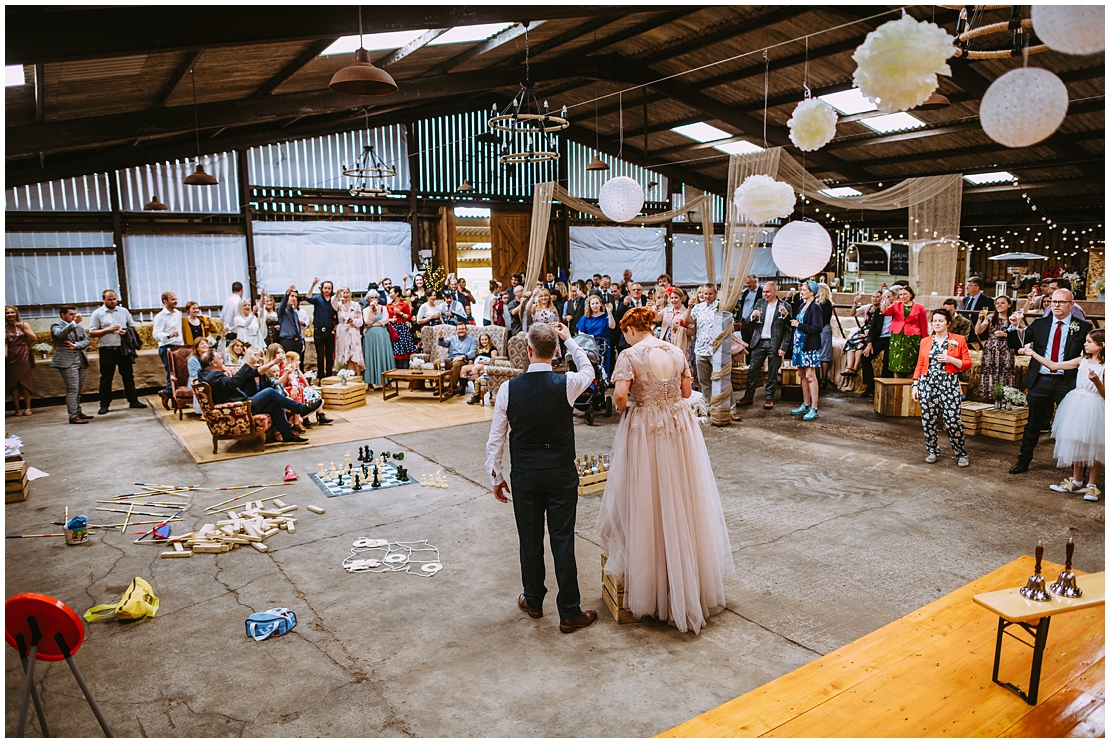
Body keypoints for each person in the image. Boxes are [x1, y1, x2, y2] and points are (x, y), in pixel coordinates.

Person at [597, 307, 733, 633]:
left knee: (648, 491)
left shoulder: (629, 355)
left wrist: (626, 408)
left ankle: (654, 575)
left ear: (630, 328)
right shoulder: (675, 351)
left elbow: (619, 395)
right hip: (678, 426)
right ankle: (686, 578)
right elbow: (687, 393)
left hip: (646, 426)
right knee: (683, 491)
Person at [485, 322, 598, 634]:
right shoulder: (568, 382)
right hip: (561, 473)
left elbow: (496, 439)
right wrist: (570, 340)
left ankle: (533, 600)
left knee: (530, 539)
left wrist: (496, 475)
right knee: (563, 540)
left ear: (528, 351)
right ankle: (570, 612)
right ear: (555, 352)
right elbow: (589, 370)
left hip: (525, 475)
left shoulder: (509, 389)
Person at [1007, 289, 1093, 475]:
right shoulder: (1040, 324)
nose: (1056, 305)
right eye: (1053, 301)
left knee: (1072, 425)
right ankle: (1023, 461)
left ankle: (1076, 469)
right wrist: (1014, 326)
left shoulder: (1083, 327)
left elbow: (1091, 352)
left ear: (1071, 304)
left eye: (1061, 302)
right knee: (1033, 424)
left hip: (1067, 382)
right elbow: (1016, 343)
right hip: (1041, 380)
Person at [1019, 330, 1104, 502]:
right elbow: (1054, 365)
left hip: (1095, 406)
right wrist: (1033, 353)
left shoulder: (1105, 366)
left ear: (1102, 345)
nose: (1085, 344)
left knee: (1093, 445)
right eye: (1085, 341)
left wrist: (1096, 381)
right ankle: (1077, 480)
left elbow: (1105, 394)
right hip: (1077, 404)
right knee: (1076, 441)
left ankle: (1092, 485)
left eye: (1089, 342)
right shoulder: (1082, 361)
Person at [197, 349, 322, 444]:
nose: (222, 360)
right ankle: (301, 409)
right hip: (239, 407)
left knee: (273, 404)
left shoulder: (205, 374)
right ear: (213, 363)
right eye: (220, 359)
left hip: (240, 404)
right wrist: (248, 363)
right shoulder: (213, 376)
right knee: (269, 391)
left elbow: (235, 380)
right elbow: (231, 384)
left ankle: (287, 434)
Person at [911, 308, 972, 467]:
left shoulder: (958, 340)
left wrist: (951, 359)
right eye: (934, 321)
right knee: (928, 420)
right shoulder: (925, 341)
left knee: (953, 420)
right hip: (927, 384)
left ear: (948, 323)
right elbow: (920, 364)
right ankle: (932, 450)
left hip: (949, 384)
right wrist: (915, 384)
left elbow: (967, 364)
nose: (937, 324)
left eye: (941, 321)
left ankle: (960, 453)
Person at [88, 289, 146, 415]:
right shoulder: (98, 313)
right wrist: (107, 330)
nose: (112, 301)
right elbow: (92, 333)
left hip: (123, 348)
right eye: (109, 299)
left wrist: (126, 332)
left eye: (114, 299)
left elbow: (132, 326)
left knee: (128, 376)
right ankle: (104, 404)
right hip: (107, 349)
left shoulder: (123, 311)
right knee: (106, 378)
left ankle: (133, 400)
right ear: (103, 300)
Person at [738, 281, 793, 412]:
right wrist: (752, 316)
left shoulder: (785, 306)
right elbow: (748, 321)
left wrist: (783, 347)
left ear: (775, 291)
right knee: (753, 371)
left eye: (767, 292)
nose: (765, 294)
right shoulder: (760, 303)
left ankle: (769, 397)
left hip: (775, 343)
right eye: (763, 292)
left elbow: (788, 330)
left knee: (773, 372)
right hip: (759, 342)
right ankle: (748, 396)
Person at [789, 280, 824, 421]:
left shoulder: (815, 307)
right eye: (802, 289)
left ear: (812, 292)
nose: (801, 291)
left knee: (810, 375)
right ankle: (805, 403)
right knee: (802, 374)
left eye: (804, 289)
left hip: (809, 345)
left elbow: (817, 328)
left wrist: (799, 325)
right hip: (799, 345)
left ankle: (814, 408)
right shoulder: (803, 305)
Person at [51, 305, 91, 424]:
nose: (74, 316)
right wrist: (73, 323)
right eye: (71, 314)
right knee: (72, 388)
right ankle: (73, 415)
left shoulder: (78, 326)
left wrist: (77, 345)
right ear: (63, 315)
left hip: (81, 359)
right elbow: (60, 334)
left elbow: (87, 339)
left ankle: (78, 411)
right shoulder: (56, 325)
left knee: (78, 388)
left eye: (74, 314)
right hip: (67, 361)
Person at [975, 295, 1017, 401]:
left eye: (1002, 303)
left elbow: (1020, 335)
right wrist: (980, 319)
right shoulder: (990, 317)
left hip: (1006, 349)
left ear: (1009, 305)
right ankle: (989, 395)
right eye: (997, 303)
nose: (999, 305)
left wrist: (1005, 335)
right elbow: (978, 331)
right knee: (990, 370)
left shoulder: (1013, 318)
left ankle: (1004, 395)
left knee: (1005, 371)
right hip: (991, 349)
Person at [883, 285, 929, 378]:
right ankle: (897, 387)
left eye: (905, 294)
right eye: (900, 295)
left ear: (911, 295)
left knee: (911, 363)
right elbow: (885, 312)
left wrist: (924, 341)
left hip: (913, 338)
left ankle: (911, 387)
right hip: (897, 337)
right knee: (897, 363)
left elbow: (923, 325)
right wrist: (884, 301)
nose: (902, 297)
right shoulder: (896, 304)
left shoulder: (920, 307)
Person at [688, 283, 720, 403]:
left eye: (710, 294)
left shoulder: (720, 306)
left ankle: (728, 409)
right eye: (705, 293)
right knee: (704, 381)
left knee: (721, 380)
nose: (707, 296)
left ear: (715, 293)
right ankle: (708, 405)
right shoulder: (698, 307)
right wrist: (689, 307)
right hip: (700, 348)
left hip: (716, 349)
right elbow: (689, 323)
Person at [861, 289, 895, 397]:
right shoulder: (878, 312)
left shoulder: (897, 312)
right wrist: (869, 343)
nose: (885, 300)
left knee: (887, 361)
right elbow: (873, 329)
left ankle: (883, 389)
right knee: (865, 356)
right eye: (884, 298)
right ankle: (870, 386)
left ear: (894, 298)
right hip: (880, 338)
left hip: (892, 339)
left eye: (888, 297)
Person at [153, 291, 184, 409]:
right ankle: (167, 393)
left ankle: (175, 398)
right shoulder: (160, 317)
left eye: (176, 299)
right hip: (167, 347)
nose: (175, 301)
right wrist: (168, 335)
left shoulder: (178, 313)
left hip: (178, 346)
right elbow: (156, 334)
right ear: (165, 301)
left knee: (179, 374)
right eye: (172, 299)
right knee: (171, 374)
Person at [6, 306, 36, 416]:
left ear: (16, 313)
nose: (10, 315)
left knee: (25, 382)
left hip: (23, 354)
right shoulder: (4, 328)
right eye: (7, 313)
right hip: (11, 356)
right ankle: (17, 408)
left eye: (12, 312)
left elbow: (34, 338)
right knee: (14, 383)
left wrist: (23, 329)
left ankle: (28, 407)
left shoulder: (24, 325)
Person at [843, 291, 881, 377]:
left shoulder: (882, 310)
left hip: (873, 331)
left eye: (877, 297)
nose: (875, 299)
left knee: (860, 343)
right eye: (873, 296)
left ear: (881, 299)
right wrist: (855, 303)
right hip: (864, 329)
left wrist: (868, 335)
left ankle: (855, 368)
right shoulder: (867, 307)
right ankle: (849, 367)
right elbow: (853, 313)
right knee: (851, 341)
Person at [306, 278, 339, 380]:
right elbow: (308, 298)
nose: (327, 290)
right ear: (322, 289)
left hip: (329, 332)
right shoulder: (317, 299)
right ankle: (321, 377)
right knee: (320, 355)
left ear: (331, 289)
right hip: (318, 331)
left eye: (329, 288)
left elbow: (337, 314)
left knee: (329, 355)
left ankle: (329, 377)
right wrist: (313, 284)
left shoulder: (334, 300)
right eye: (325, 288)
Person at [576, 294, 616, 376]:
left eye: (597, 303)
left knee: (604, 362)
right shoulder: (585, 317)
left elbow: (612, 326)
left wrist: (610, 313)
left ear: (600, 304)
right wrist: (588, 337)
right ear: (589, 305)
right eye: (593, 304)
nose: (595, 306)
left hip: (603, 342)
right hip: (590, 343)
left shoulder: (605, 315)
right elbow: (580, 332)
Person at [362, 294, 395, 388]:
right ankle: (370, 382)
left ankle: (387, 381)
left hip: (382, 335)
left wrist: (372, 325)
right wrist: (371, 310)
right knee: (370, 357)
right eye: (372, 298)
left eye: (376, 297)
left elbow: (385, 320)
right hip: (370, 337)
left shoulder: (383, 308)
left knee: (384, 355)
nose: (374, 300)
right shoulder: (365, 310)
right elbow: (367, 322)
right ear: (368, 300)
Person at [437, 322, 479, 395]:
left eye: (463, 329)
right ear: (456, 331)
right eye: (459, 329)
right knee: (437, 362)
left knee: (456, 364)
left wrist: (463, 356)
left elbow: (473, 352)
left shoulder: (472, 340)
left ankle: (451, 388)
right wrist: (441, 337)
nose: (461, 331)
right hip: (450, 359)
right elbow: (443, 343)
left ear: (466, 329)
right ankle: (439, 387)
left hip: (462, 360)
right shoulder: (452, 338)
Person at [332, 286, 365, 377]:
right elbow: (332, 303)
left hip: (354, 330)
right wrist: (337, 293)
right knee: (343, 354)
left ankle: (358, 378)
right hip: (342, 330)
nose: (345, 295)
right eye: (344, 293)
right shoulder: (338, 305)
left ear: (350, 294)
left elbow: (361, 321)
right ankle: (343, 377)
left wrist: (353, 321)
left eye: (347, 292)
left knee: (355, 353)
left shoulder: (356, 305)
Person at [614, 282, 649, 354]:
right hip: (628, 338)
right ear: (630, 291)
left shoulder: (646, 301)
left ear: (642, 291)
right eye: (634, 290)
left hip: (643, 336)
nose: (636, 291)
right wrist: (623, 305)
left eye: (638, 289)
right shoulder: (625, 301)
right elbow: (617, 315)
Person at [466, 332, 499, 405]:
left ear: (489, 340)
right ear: (480, 341)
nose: (484, 341)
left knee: (475, 368)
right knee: (465, 368)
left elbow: (494, 360)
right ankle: (467, 388)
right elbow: (477, 359)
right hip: (478, 363)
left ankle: (476, 395)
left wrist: (484, 362)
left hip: (488, 365)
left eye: (486, 339)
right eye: (482, 340)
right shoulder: (479, 350)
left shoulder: (492, 348)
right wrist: (472, 361)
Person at [387, 286, 416, 369]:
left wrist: (400, 313)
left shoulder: (404, 304)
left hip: (402, 328)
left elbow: (409, 318)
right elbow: (385, 318)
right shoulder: (388, 305)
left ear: (397, 293)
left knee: (405, 349)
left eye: (392, 292)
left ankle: (405, 371)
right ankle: (395, 371)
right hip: (393, 329)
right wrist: (391, 320)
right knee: (395, 349)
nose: (390, 294)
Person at [960, 277, 993, 347]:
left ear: (976, 288)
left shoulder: (987, 301)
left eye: (969, 285)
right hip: (965, 331)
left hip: (978, 334)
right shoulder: (965, 299)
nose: (966, 287)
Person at [659, 286, 691, 355]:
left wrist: (680, 328)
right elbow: (655, 318)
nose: (673, 300)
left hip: (680, 346)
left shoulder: (686, 312)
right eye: (672, 298)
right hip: (665, 346)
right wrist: (655, 308)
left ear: (682, 299)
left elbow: (692, 331)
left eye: (676, 298)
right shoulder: (666, 310)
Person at [816, 283, 835, 388]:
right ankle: (817, 378)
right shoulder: (815, 303)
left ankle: (824, 379)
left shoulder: (826, 303)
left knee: (824, 354)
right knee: (817, 354)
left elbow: (825, 318)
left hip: (823, 329)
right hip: (818, 329)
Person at [276, 286, 305, 356]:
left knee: (298, 363)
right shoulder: (282, 311)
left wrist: (302, 342)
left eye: (296, 297)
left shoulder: (295, 313)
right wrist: (287, 293)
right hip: (287, 341)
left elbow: (298, 329)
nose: (294, 298)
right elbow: (282, 306)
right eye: (292, 296)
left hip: (297, 341)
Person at [187, 337, 210, 415]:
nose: (205, 345)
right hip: (196, 380)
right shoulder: (192, 360)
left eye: (206, 343)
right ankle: (203, 412)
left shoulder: (210, 358)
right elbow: (196, 375)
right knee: (202, 386)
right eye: (202, 344)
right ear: (197, 348)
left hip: (208, 378)